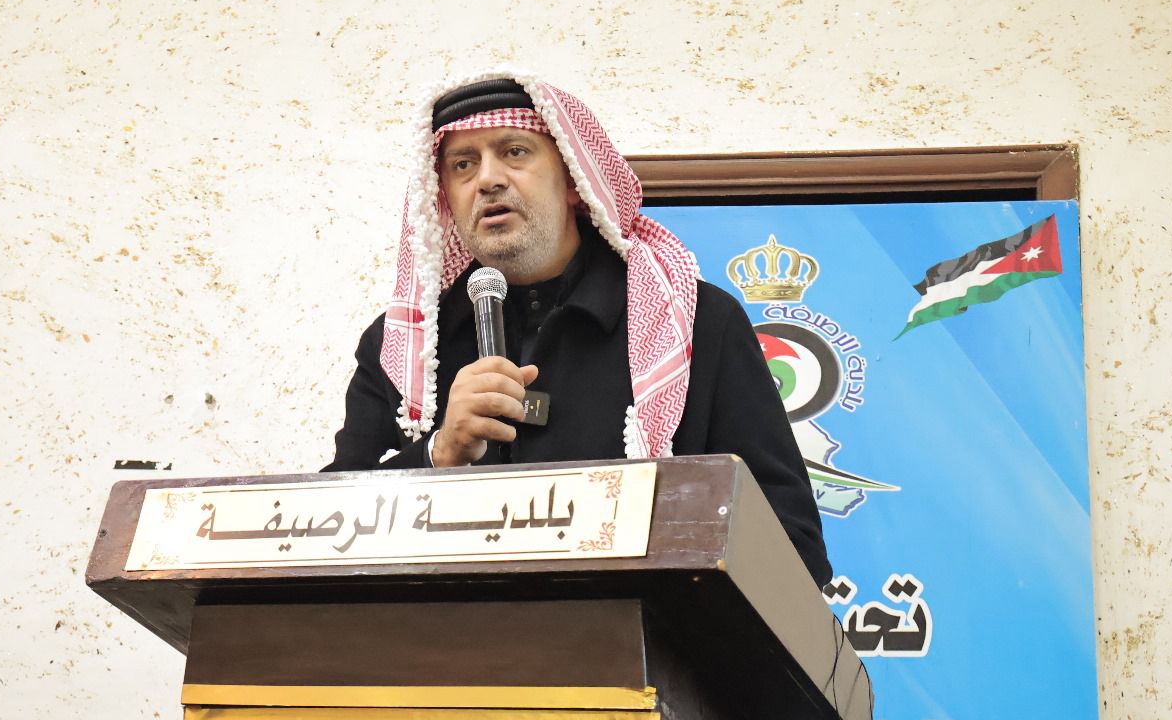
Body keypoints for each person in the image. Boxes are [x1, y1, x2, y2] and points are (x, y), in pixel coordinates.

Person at [323, 74, 831, 585]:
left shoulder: (697, 323)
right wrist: (440, 453)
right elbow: (326, 532)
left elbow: (792, 547)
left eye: (515, 152)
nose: (488, 179)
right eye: (463, 164)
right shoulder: (402, 348)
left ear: (573, 181)